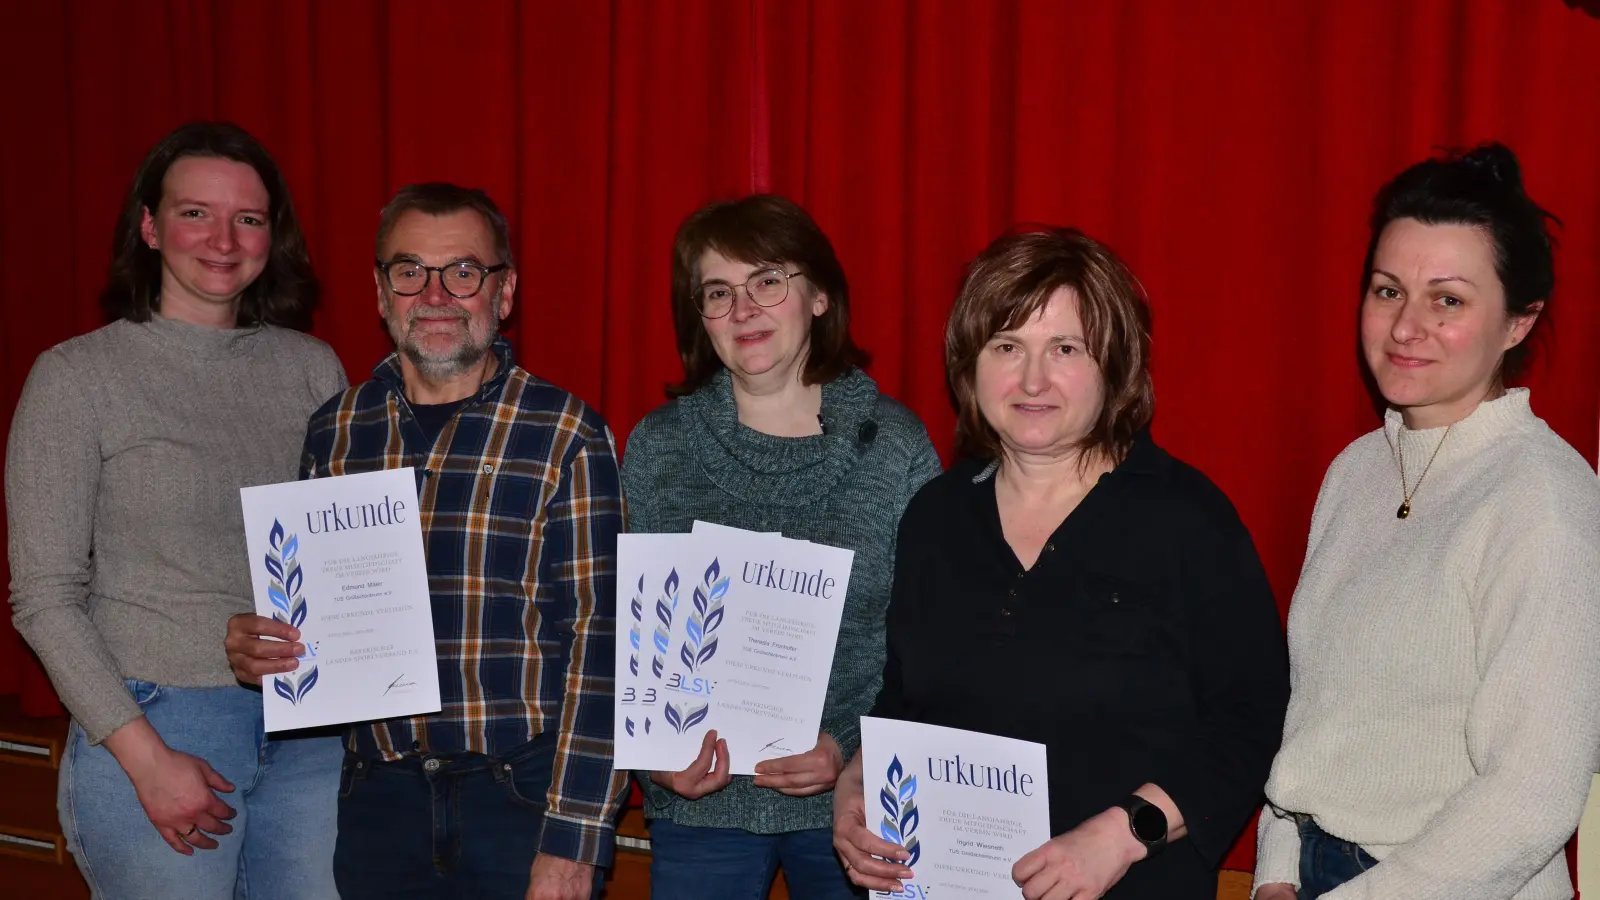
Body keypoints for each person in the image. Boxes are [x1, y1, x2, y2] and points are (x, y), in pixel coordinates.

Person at [832, 227, 1290, 900]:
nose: (1033, 379)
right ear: (969, 365)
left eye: (1065, 348)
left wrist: (1122, 832)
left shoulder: (1187, 520)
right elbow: (905, 702)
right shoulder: (936, 515)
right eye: (1007, 346)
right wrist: (855, 784)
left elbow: (1252, 721)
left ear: (1114, 365)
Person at [223, 182, 629, 900]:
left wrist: (575, 843)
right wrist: (268, 649)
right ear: (381, 294)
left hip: (520, 800)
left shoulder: (566, 434)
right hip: (377, 801)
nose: (436, 294)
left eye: (464, 271)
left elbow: (603, 652)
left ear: (503, 294)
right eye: (409, 271)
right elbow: (311, 623)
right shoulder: (336, 431)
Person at [5, 121, 347, 899]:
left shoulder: (312, 368)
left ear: (273, 235)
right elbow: (45, 599)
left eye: (249, 218)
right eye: (196, 213)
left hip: (309, 733)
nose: (223, 239)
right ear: (151, 228)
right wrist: (147, 759)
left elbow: (336, 555)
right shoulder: (76, 378)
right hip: (158, 721)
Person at [1252, 145, 1600, 900]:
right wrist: (1277, 870)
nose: (1406, 325)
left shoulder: (1544, 498)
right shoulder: (1356, 470)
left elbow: (1534, 793)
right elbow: (1315, 707)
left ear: (1518, 322)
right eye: (1387, 290)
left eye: (1448, 299)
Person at [620, 194, 942, 899]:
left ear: (819, 296)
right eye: (717, 292)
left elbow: (933, 640)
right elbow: (622, 634)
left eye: (767, 281)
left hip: (853, 809)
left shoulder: (895, 447)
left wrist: (851, 750)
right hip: (700, 805)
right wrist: (655, 757)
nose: (743, 310)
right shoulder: (657, 449)